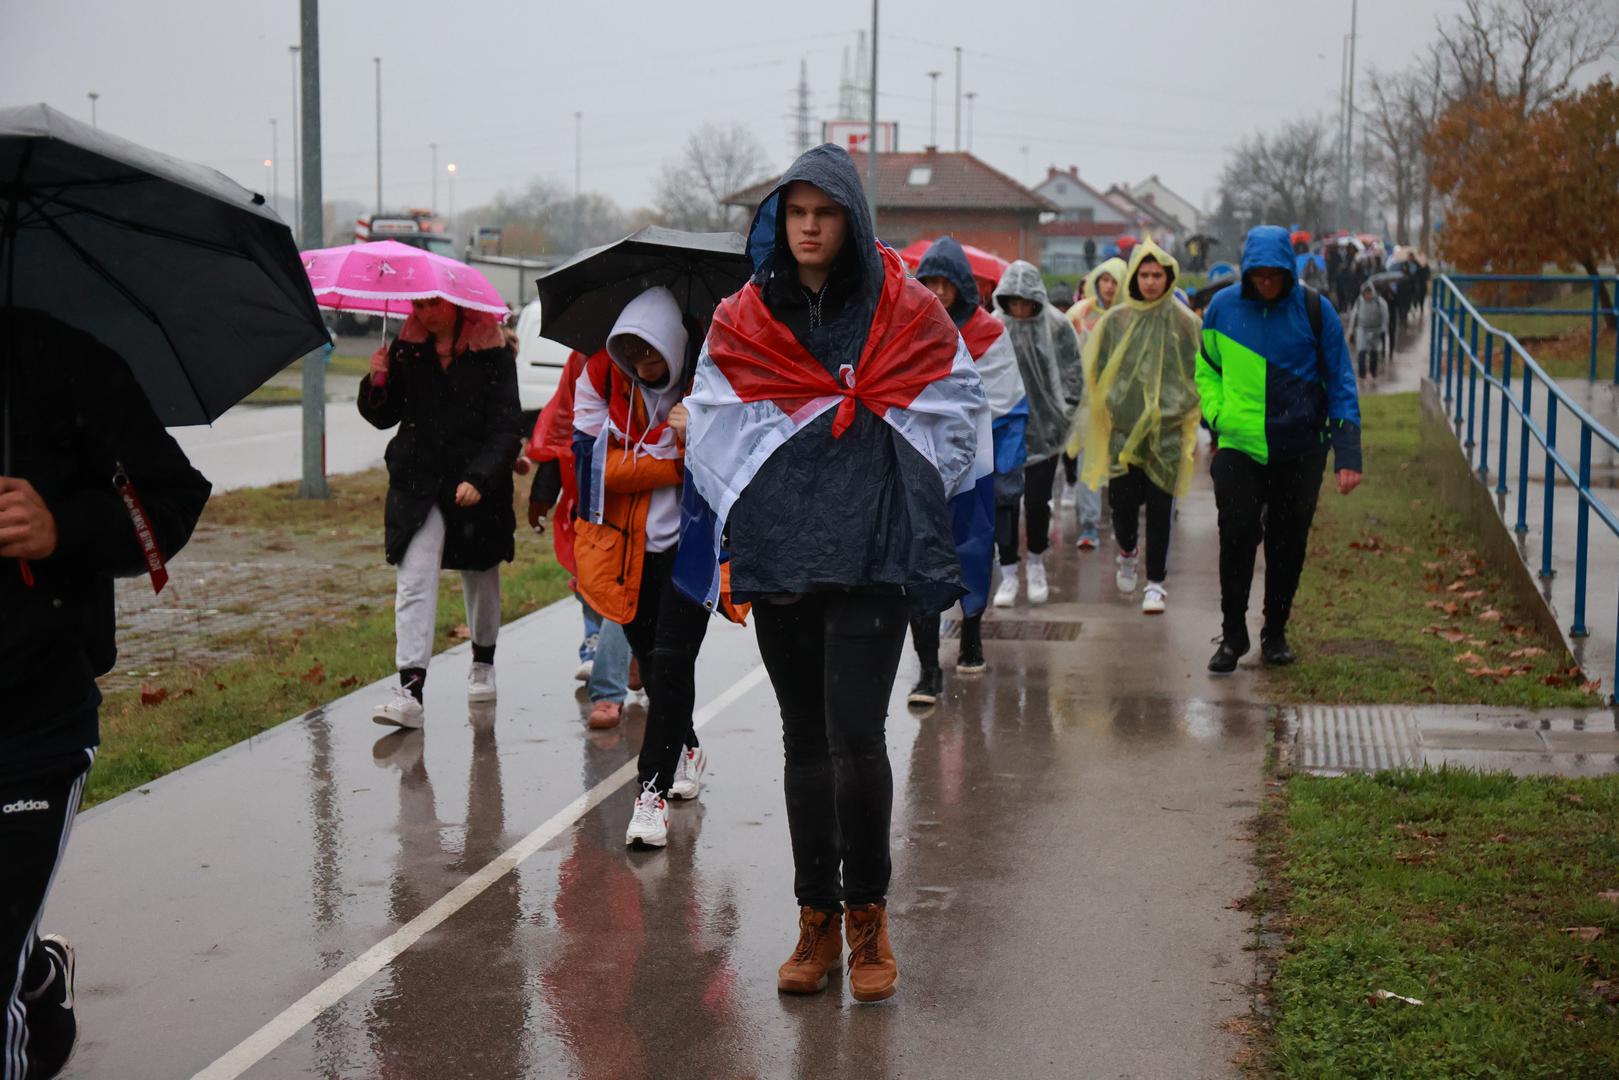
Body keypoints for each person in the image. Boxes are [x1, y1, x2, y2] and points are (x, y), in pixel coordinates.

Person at [678, 144, 987, 1004]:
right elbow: (716, 418)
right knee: (803, 743)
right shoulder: (744, 316)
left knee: (857, 738)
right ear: (778, 220)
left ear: (850, 218)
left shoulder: (905, 306)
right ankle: (814, 921)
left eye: (824, 211)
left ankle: (869, 921)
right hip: (782, 550)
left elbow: (957, 409)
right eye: (795, 212)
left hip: (872, 549)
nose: (808, 226)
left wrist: (898, 471)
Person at [2, 309, 211, 1080]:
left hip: (32, 723)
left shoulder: (60, 359)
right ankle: (33, 980)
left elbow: (169, 499)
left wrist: (62, 526)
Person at [571, 286, 715, 849]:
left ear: (677, 349)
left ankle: (649, 795)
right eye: (631, 354)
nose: (642, 366)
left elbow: (732, 458)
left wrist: (693, 432)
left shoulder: (710, 383)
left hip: (690, 552)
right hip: (623, 554)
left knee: (673, 665)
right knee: (655, 669)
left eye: (652, 354)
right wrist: (672, 457)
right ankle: (690, 746)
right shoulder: (600, 379)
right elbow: (591, 472)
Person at [1198, 224, 1362, 673]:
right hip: (1240, 446)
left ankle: (1276, 633)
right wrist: (1217, 415)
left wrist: (1348, 453)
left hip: (1301, 448)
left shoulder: (1315, 310)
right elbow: (1207, 368)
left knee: (1288, 545)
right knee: (1236, 535)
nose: (1267, 283)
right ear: (1247, 272)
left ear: (1289, 270)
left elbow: (1341, 380)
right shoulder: (1221, 307)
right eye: (1259, 275)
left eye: (1275, 274)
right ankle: (1233, 635)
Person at [359, 296, 523, 728]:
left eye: (433, 304)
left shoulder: (493, 354)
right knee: (413, 576)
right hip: (418, 481)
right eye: (418, 304)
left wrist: (481, 478)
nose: (425, 312)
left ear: (455, 304)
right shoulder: (406, 347)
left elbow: (507, 427)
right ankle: (410, 687)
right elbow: (384, 415)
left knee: (481, 575)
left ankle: (483, 660)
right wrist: (378, 380)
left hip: (475, 483)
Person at [907, 236, 1028, 704]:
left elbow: (1007, 402)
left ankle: (972, 636)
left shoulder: (988, 334)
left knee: (974, 557)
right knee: (917, 563)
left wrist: (1006, 469)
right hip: (920, 467)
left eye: (945, 283)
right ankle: (926, 668)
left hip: (975, 470)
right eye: (929, 282)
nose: (937, 292)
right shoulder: (909, 329)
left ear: (960, 285)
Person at [1081, 240, 1203, 615]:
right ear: (1134, 277)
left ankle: (1156, 583)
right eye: (1145, 274)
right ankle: (1127, 552)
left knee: (1162, 506)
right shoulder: (1116, 320)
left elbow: (1194, 371)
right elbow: (1099, 370)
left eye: (1157, 275)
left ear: (1168, 277)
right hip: (1123, 430)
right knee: (1122, 505)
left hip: (1165, 433)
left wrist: (1180, 413)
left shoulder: (1184, 321)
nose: (1150, 282)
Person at [525, 348, 634, 729]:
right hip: (595, 484)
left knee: (629, 585)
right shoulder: (584, 356)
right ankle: (610, 661)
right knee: (595, 576)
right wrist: (544, 486)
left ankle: (610, 684)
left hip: (650, 487)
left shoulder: (673, 340)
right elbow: (563, 423)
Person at [991, 261, 1076, 607]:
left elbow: (1073, 373)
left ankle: (1036, 562)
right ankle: (1009, 570)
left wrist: (1063, 415)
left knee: (1038, 501)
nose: (1021, 309)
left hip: (1046, 431)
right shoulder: (994, 327)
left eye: (1027, 302)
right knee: (1005, 503)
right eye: (1014, 301)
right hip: (1005, 428)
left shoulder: (1057, 326)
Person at [1064, 256, 1126, 549]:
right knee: (1088, 464)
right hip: (1088, 405)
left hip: (1119, 404)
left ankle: (1120, 522)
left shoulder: (1130, 315)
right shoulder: (1081, 313)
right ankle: (1089, 525)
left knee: (1118, 467)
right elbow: (1068, 356)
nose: (1110, 287)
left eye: (1115, 281)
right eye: (1105, 280)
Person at [1348, 282, 1390, 382]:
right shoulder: (1359, 302)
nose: (1368, 295)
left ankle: (1373, 372)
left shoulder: (1380, 302)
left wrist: (1384, 329)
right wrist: (1351, 331)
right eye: (1366, 293)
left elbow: (1385, 316)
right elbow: (1354, 316)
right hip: (1362, 329)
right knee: (1361, 350)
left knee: (1374, 351)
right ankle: (1362, 374)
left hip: (1376, 329)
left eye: (1369, 293)